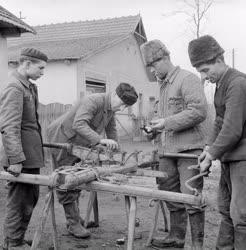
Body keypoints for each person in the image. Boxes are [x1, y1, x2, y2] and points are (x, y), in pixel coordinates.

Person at [46, 83, 138, 239]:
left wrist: (117, 152)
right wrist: (100, 140)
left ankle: (74, 216)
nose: (122, 109)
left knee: (80, 176)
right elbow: (78, 124)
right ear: (114, 95)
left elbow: (112, 131)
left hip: (80, 143)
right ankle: (73, 223)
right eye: (122, 104)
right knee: (65, 179)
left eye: (126, 107)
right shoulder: (93, 101)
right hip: (63, 138)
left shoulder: (110, 109)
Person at [140, 40, 207, 249]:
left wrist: (166, 123)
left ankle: (197, 245)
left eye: (154, 65)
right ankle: (176, 239)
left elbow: (198, 111)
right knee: (170, 197)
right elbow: (161, 118)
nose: (152, 71)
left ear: (165, 58)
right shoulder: (162, 86)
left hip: (188, 151)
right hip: (166, 152)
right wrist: (153, 130)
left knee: (191, 198)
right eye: (149, 67)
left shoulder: (188, 79)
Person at [188, 35, 246, 250]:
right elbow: (219, 122)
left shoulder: (237, 83)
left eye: (205, 70)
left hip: (243, 159)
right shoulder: (222, 85)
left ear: (219, 61)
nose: (204, 76)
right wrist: (207, 148)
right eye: (201, 72)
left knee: (241, 214)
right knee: (225, 208)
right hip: (230, 157)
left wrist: (212, 154)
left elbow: (232, 130)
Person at [0, 48, 48, 250]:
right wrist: (16, 159)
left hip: (31, 155)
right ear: (27, 64)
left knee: (30, 198)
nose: (43, 72)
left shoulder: (28, 86)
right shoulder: (15, 88)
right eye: (40, 67)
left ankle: (16, 237)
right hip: (21, 157)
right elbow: (9, 126)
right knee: (19, 201)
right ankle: (12, 242)